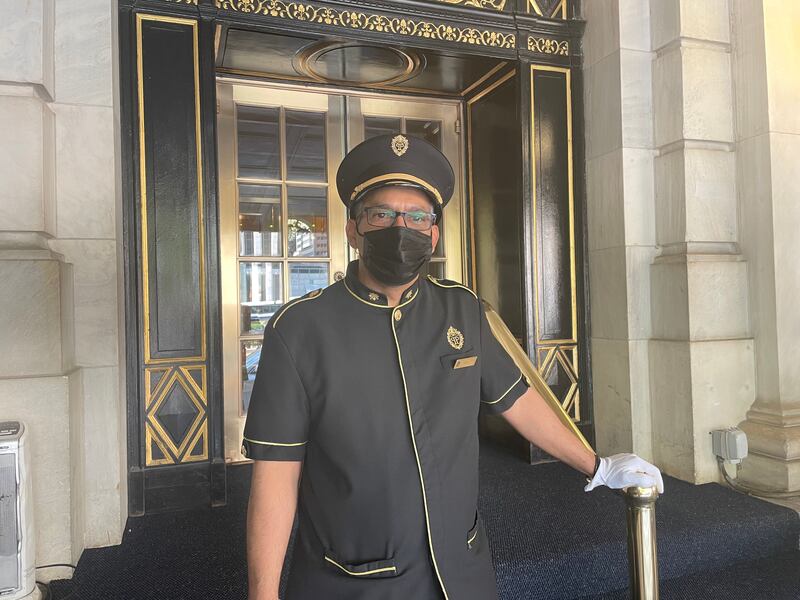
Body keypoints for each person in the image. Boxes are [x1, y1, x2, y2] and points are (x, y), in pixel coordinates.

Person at [242, 133, 664, 600]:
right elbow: (276, 472)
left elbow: (517, 399)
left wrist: (597, 466)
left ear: (434, 234)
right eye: (382, 214)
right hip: (352, 581)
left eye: (417, 216)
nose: (401, 227)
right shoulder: (299, 328)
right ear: (353, 229)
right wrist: (263, 595)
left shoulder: (462, 310)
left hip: (460, 571)